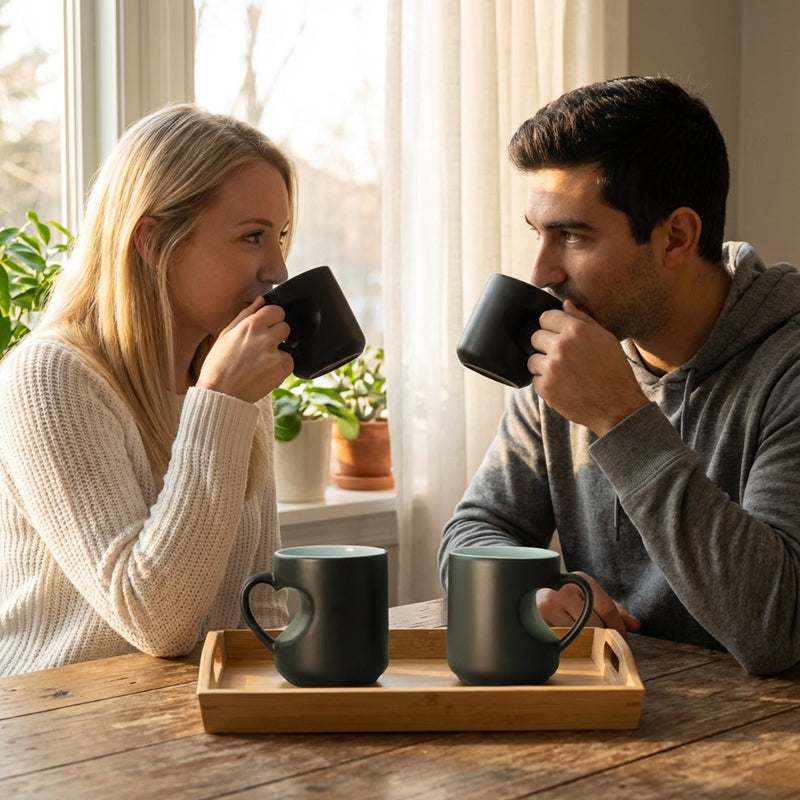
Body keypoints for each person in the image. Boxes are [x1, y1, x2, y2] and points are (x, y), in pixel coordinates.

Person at [439, 76, 800, 675]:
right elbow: (476, 528)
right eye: (538, 233)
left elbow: (777, 629)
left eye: (574, 236)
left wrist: (620, 416)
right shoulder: (571, 346)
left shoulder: (785, 370)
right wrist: (529, 592)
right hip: (614, 712)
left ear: (676, 237)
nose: (541, 271)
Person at [0, 104, 297, 675]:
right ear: (154, 241)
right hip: (55, 730)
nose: (278, 268)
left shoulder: (228, 378)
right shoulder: (51, 378)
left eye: (280, 234)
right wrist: (221, 405)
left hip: (186, 718)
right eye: (253, 236)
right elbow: (157, 622)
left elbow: (258, 604)